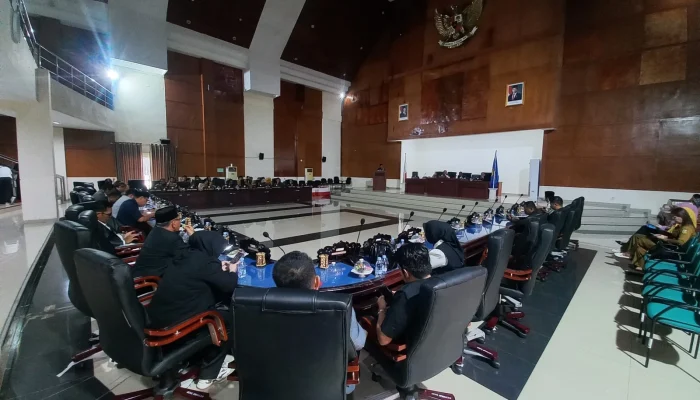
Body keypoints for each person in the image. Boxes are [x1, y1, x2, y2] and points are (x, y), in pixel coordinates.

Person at [147, 231, 238, 389]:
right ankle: (209, 374)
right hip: (176, 326)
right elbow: (229, 285)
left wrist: (217, 266)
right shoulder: (205, 263)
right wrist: (232, 270)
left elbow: (198, 273)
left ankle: (192, 358)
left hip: (157, 318)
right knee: (228, 320)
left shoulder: (184, 256)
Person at [272, 251, 367, 396]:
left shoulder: (257, 310)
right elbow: (358, 343)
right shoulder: (340, 308)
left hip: (278, 386)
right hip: (329, 387)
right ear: (316, 282)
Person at [374, 243, 432, 346]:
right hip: (437, 342)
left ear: (405, 272)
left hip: (412, 346)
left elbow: (383, 340)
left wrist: (381, 309)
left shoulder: (405, 295)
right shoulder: (441, 282)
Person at [616, 207, 696, 271]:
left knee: (640, 240)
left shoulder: (687, 228)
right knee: (640, 246)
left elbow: (681, 242)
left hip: (672, 250)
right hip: (667, 246)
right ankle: (640, 267)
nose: (673, 219)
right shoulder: (681, 226)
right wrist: (662, 235)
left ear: (682, 216)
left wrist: (664, 239)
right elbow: (674, 236)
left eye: (675, 217)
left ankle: (629, 253)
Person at [132, 206, 193, 278]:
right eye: (179, 219)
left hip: (140, 273)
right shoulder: (172, 238)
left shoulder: (155, 230)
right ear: (173, 223)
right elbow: (187, 256)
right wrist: (193, 236)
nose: (180, 222)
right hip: (153, 279)